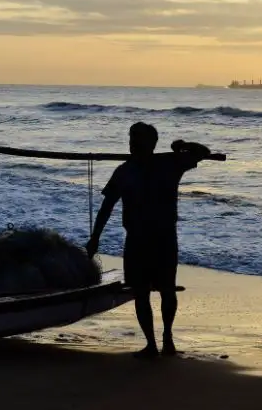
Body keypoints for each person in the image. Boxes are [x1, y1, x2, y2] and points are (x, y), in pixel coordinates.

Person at [86, 122, 210, 359]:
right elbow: (106, 206)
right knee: (140, 292)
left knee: (167, 290)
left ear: (152, 144)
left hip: (164, 238)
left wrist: (182, 146)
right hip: (136, 239)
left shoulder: (171, 163)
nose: (133, 144)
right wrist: (95, 237)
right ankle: (151, 344)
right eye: (132, 139)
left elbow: (203, 152)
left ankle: (168, 339)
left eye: (139, 140)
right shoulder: (124, 171)